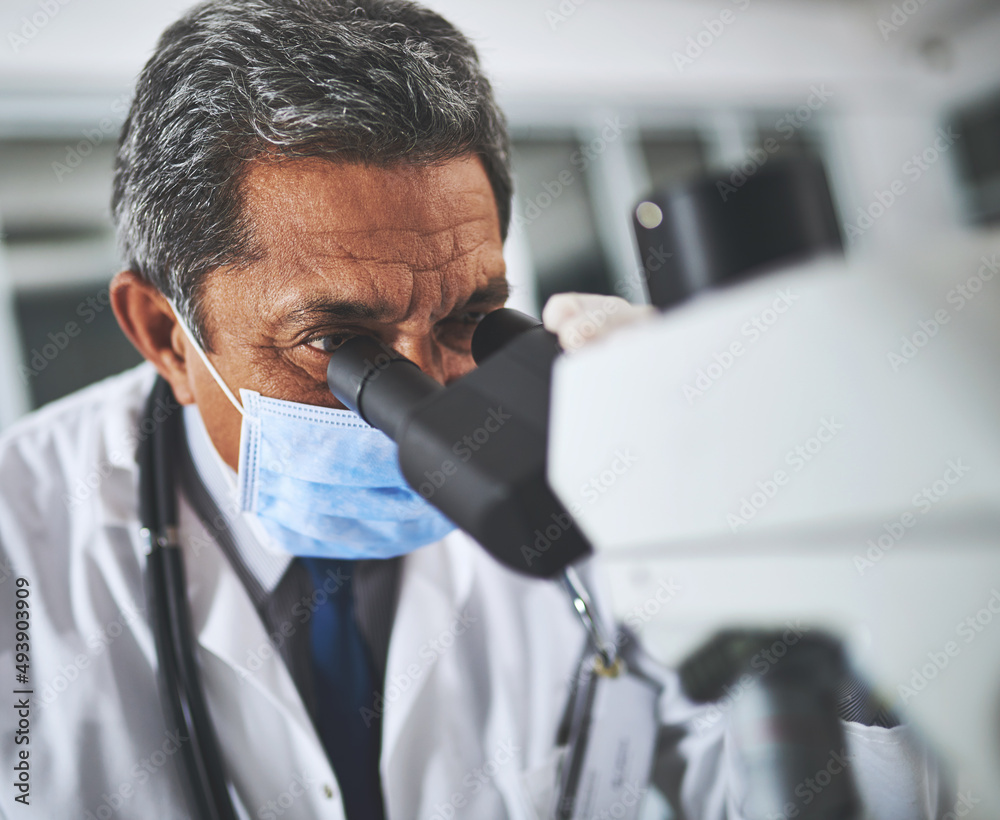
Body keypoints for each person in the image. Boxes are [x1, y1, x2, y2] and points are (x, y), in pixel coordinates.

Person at [0, 1, 951, 818]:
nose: (437, 392)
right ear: (165, 333)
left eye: (472, 316)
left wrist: (781, 544)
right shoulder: (18, 547)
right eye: (340, 345)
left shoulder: (582, 472)